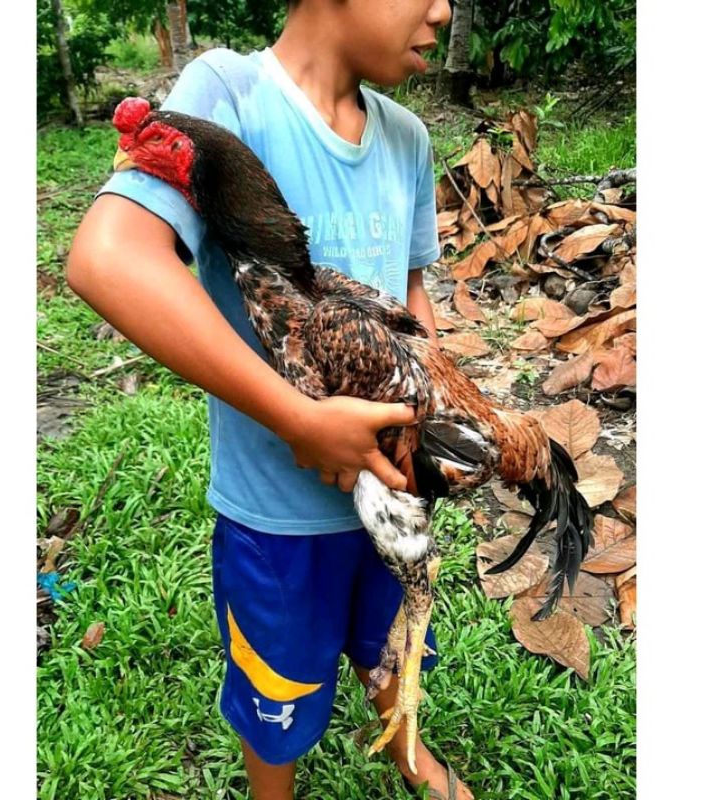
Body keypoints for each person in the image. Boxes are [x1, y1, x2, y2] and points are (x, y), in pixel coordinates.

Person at [68, 1, 473, 798]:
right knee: (276, 692)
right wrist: (298, 419)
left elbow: (413, 293)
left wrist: (429, 414)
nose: (443, 10)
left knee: (393, 633)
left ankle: (405, 742)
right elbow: (106, 260)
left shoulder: (408, 138)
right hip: (277, 520)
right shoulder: (228, 94)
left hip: (388, 488)